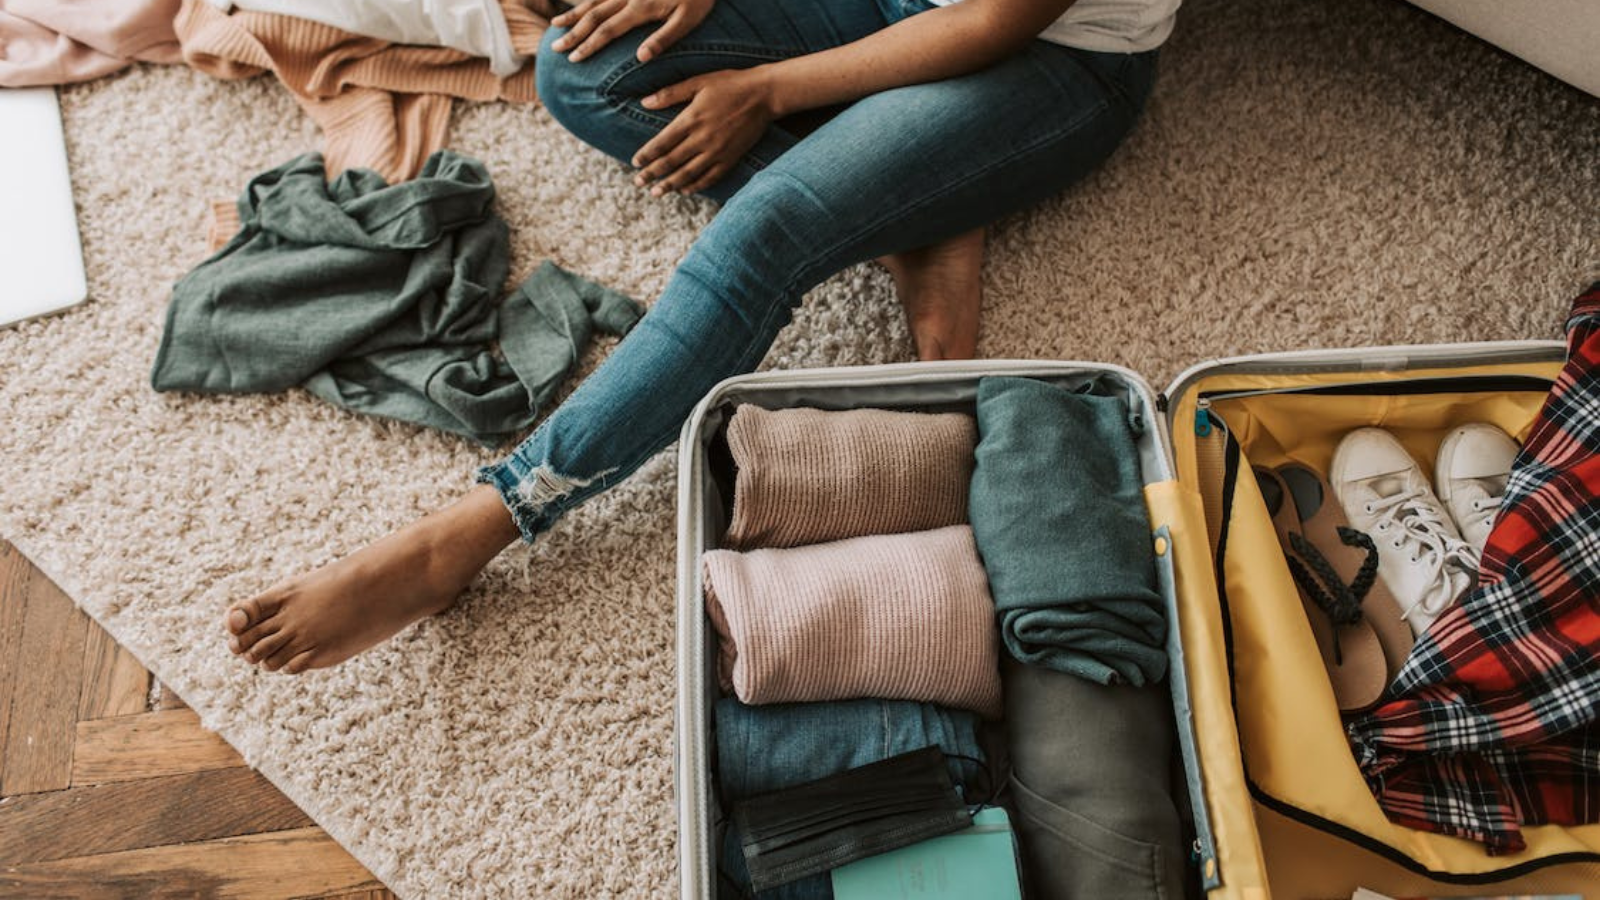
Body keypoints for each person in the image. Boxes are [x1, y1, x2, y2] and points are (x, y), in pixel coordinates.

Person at [223, 0, 1179, 673]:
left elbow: (992, 19)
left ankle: (477, 529)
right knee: (584, 67)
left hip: (1045, 56)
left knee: (767, 230)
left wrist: (767, 88)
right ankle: (923, 212)